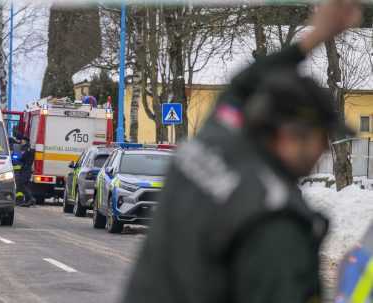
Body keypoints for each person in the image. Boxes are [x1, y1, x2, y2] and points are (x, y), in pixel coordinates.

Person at [122, 1, 362, 303]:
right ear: (289, 136)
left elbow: (243, 83)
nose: (323, 152)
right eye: (321, 139)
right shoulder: (274, 220)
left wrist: (315, 36)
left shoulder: (209, 144)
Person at [16, 137, 36, 207]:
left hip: (25, 169)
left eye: (23, 140)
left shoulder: (26, 149)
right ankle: (27, 201)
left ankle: (31, 198)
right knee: (26, 184)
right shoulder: (30, 149)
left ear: (26, 141)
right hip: (28, 169)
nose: (21, 141)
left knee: (22, 184)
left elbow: (22, 158)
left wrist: (18, 158)